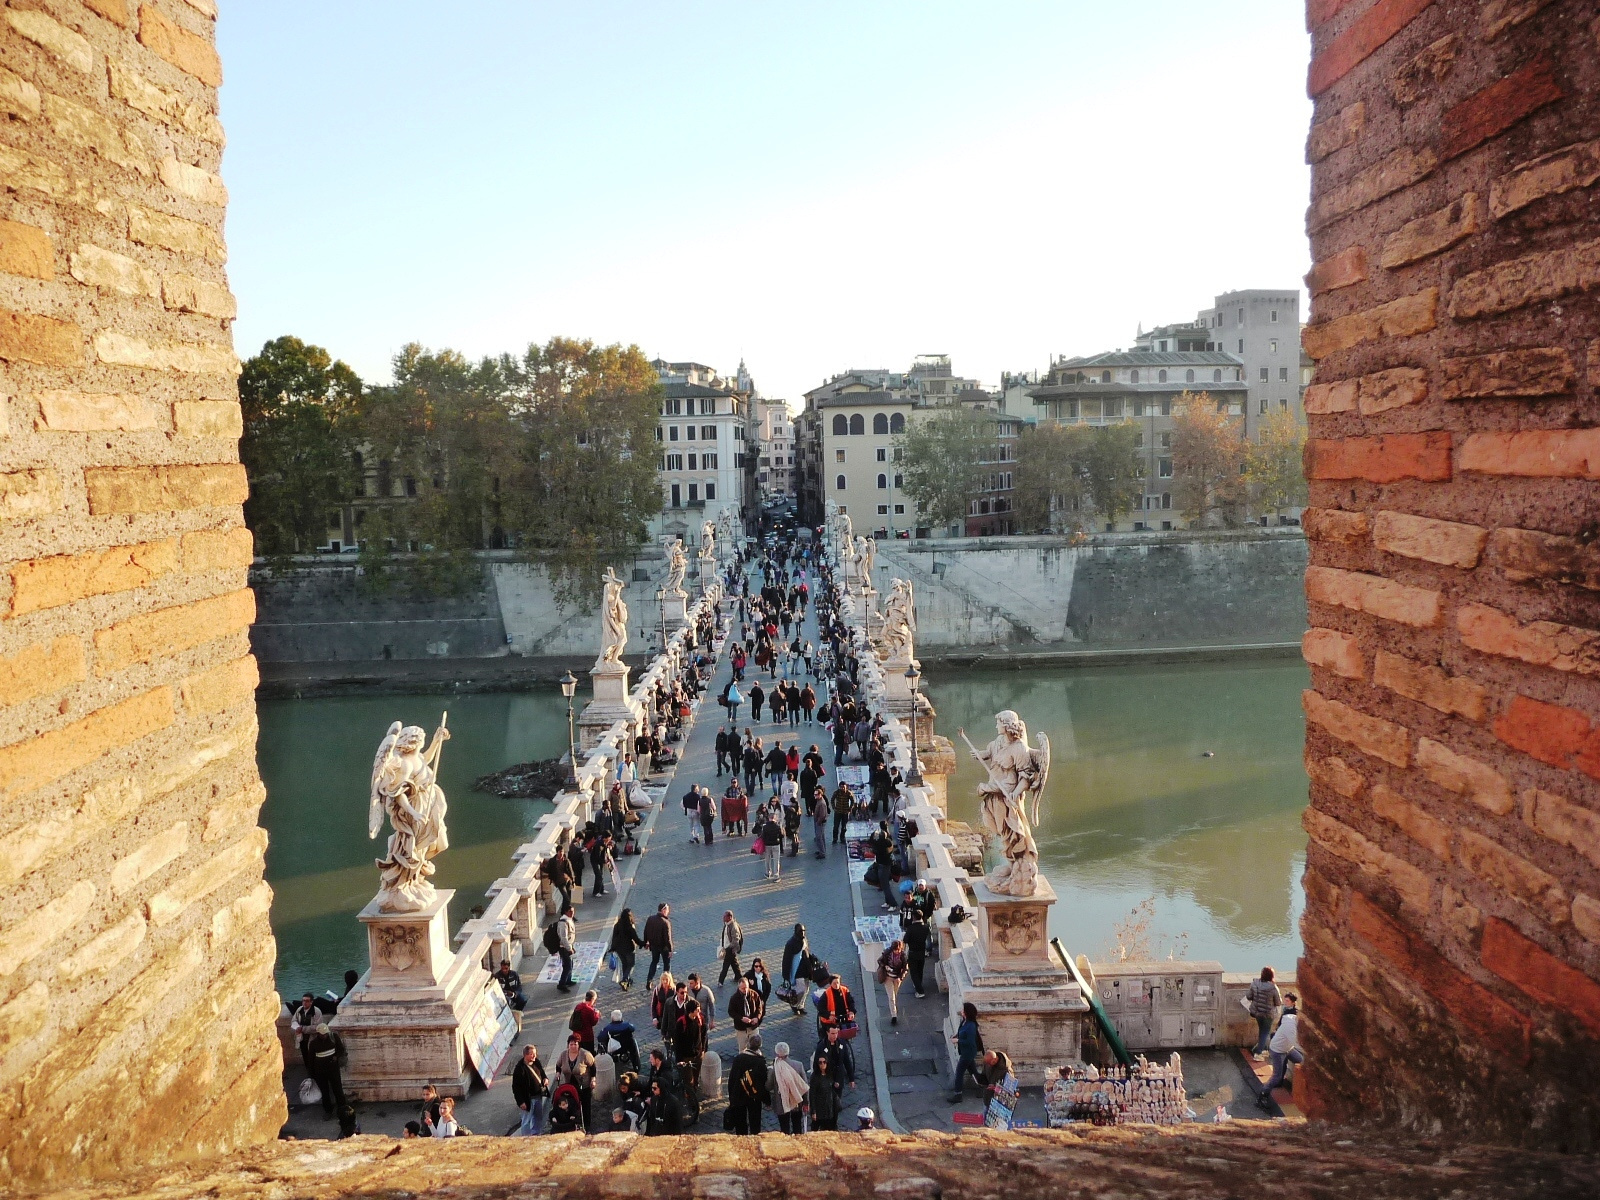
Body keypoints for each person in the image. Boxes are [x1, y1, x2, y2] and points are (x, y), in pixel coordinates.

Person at [1259, 992, 1303, 1105]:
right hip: (1278, 1051)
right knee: (1277, 1076)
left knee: (1302, 1060)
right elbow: (1296, 1042)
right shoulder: (1291, 1025)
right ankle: (1263, 1095)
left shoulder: (1292, 1017)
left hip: (1288, 1048)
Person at [727, 1032, 768, 1135]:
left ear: (749, 1044)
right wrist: (767, 1100)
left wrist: (731, 1097)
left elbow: (732, 1079)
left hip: (739, 1095)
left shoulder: (738, 1059)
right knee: (755, 1122)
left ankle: (742, 1142)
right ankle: (755, 1139)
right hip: (754, 1098)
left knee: (740, 1124)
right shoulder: (760, 1062)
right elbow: (763, 1083)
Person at [553, 1033, 596, 1131]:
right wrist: (558, 1073)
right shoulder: (564, 1054)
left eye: (575, 1044)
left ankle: (587, 1125)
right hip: (569, 1085)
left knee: (585, 1105)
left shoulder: (585, 1054)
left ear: (579, 1045)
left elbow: (593, 1066)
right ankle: (572, 1123)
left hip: (583, 1084)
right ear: (568, 1045)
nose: (573, 1046)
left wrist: (593, 1079)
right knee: (572, 1104)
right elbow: (558, 1065)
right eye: (571, 1044)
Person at [306, 1022, 347, 1117]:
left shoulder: (334, 1037)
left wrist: (336, 1056)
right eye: (322, 1034)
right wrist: (310, 1075)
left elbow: (341, 1049)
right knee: (324, 1092)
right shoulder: (313, 1044)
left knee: (338, 1089)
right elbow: (310, 1059)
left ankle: (342, 1109)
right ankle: (328, 1111)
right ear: (318, 1034)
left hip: (333, 1068)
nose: (324, 1035)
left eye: (325, 1033)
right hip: (320, 1071)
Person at [949, 1002, 984, 1102]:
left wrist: (958, 1041)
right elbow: (961, 1031)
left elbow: (970, 1041)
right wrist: (956, 1035)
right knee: (973, 1071)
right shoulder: (964, 1021)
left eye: (963, 1010)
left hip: (968, 1053)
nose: (961, 1011)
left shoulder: (971, 1026)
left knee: (959, 1073)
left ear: (967, 1013)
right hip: (965, 1052)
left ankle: (958, 1094)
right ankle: (981, 1086)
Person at [771, 1042, 808, 1135]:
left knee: (784, 1128)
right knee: (797, 1126)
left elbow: (768, 1085)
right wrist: (806, 1102)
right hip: (796, 1101)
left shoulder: (774, 1068)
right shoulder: (799, 1065)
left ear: (777, 1054)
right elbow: (804, 1085)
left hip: (782, 1103)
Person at [512, 1044, 548, 1136]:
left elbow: (542, 1073)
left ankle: (536, 1134)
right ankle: (526, 1138)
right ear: (525, 1055)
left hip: (538, 1096)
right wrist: (521, 1102)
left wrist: (545, 1078)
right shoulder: (519, 1069)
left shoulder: (536, 1062)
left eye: (535, 1053)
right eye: (532, 1054)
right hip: (528, 1099)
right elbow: (516, 1088)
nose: (535, 1056)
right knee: (526, 1121)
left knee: (538, 1118)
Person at [1248, 967, 1282, 1060]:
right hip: (1268, 1014)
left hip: (1257, 1012)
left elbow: (1249, 996)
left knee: (1262, 1031)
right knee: (1265, 1032)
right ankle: (1258, 1053)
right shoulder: (1273, 987)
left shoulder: (1254, 983)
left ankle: (1264, 1049)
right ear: (1272, 976)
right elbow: (1278, 1002)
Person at [728, 974, 765, 1053]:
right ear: (739, 987)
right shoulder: (734, 998)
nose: (745, 990)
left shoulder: (754, 994)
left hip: (753, 1026)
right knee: (742, 1048)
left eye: (746, 988)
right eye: (742, 988)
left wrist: (757, 1017)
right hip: (741, 1028)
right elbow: (731, 1012)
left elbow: (760, 1007)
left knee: (756, 1046)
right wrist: (741, 1018)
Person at [611, 907, 645, 991]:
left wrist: (613, 948)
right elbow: (636, 939)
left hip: (619, 949)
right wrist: (643, 943)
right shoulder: (629, 927)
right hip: (629, 949)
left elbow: (614, 937)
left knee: (624, 964)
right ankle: (625, 979)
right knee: (631, 964)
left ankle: (627, 981)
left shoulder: (617, 925)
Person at [877, 939, 910, 1025]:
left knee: (894, 995)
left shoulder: (903, 955)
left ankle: (893, 1008)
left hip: (897, 978)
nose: (896, 952)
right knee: (891, 997)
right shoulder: (887, 953)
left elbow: (905, 968)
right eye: (895, 950)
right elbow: (879, 961)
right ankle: (894, 1016)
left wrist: (900, 977)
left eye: (898, 950)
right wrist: (885, 966)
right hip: (888, 977)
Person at [600, 1009, 640, 1073]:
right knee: (632, 1044)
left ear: (612, 1018)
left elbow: (600, 1038)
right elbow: (633, 1029)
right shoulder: (627, 1025)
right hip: (627, 1046)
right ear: (621, 1017)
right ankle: (636, 1066)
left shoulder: (608, 1028)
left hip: (614, 1048)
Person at [290, 992, 320, 1077]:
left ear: (311, 1002)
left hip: (312, 1039)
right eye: (303, 1001)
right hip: (302, 1039)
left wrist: (303, 1029)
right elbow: (293, 1021)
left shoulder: (316, 1012)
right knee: (305, 1056)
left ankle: (315, 1074)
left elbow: (318, 1027)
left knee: (313, 1058)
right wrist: (296, 1027)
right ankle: (310, 1074)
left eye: (307, 1001)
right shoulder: (299, 1010)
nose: (304, 1003)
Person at [903, 909, 931, 999]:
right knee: (920, 970)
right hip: (922, 952)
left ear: (913, 917)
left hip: (913, 952)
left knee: (914, 972)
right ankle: (918, 984)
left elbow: (905, 940)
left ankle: (920, 990)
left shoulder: (910, 929)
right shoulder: (926, 927)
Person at [643, 902, 673, 985]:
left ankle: (649, 980)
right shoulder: (665, 922)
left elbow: (646, 931)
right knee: (666, 964)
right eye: (667, 909)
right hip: (664, 947)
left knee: (654, 962)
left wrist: (646, 942)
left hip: (653, 946)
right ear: (663, 910)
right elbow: (668, 938)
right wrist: (670, 950)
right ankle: (666, 981)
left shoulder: (650, 919)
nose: (668, 911)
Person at [781, 924, 810, 996]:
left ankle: (799, 1006)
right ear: (796, 931)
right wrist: (786, 977)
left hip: (805, 973)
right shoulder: (791, 944)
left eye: (803, 931)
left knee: (805, 992)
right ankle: (797, 1007)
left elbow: (807, 954)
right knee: (799, 994)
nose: (802, 933)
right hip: (797, 974)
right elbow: (786, 961)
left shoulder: (804, 940)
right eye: (800, 931)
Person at [543, 851, 574, 918]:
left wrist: (573, 881)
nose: (561, 856)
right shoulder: (552, 861)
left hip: (567, 881)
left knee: (567, 897)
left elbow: (570, 871)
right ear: (557, 853)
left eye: (562, 854)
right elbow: (548, 870)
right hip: (559, 882)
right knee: (566, 898)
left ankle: (565, 913)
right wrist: (542, 867)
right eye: (560, 854)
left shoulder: (566, 860)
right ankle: (566, 913)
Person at [571, 989, 602, 1053]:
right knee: (588, 1053)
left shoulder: (578, 1006)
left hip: (577, 1034)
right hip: (586, 1036)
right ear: (592, 999)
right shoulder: (589, 1010)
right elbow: (593, 1022)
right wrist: (597, 1014)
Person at [718, 910, 744, 984]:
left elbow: (736, 940)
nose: (723, 918)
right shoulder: (727, 924)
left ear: (730, 917)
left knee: (725, 966)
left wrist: (729, 948)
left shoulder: (733, 927)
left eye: (724, 916)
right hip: (727, 947)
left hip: (730, 949)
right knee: (734, 963)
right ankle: (739, 977)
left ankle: (720, 981)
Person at [555, 904, 577, 992]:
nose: (572, 913)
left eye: (573, 911)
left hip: (568, 946)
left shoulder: (569, 920)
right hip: (564, 948)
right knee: (567, 966)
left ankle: (568, 980)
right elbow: (563, 937)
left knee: (570, 964)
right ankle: (562, 984)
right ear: (566, 912)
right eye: (570, 912)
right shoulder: (563, 922)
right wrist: (569, 948)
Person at [760, 809, 783, 880]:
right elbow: (781, 836)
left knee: (767, 859)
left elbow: (763, 837)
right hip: (776, 844)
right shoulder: (778, 827)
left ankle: (768, 873)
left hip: (767, 845)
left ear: (769, 818)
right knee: (776, 860)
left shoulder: (765, 827)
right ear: (775, 818)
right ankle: (776, 875)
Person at [810, 787, 830, 859]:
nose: (815, 796)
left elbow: (822, 815)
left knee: (819, 837)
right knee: (821, 836)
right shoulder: (820, 801)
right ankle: (822, 850)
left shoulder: (821, 803)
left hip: (820, 822)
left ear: (820, 795)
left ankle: (822, 853)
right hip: (819, 821)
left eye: (816, 795)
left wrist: (818, 822)